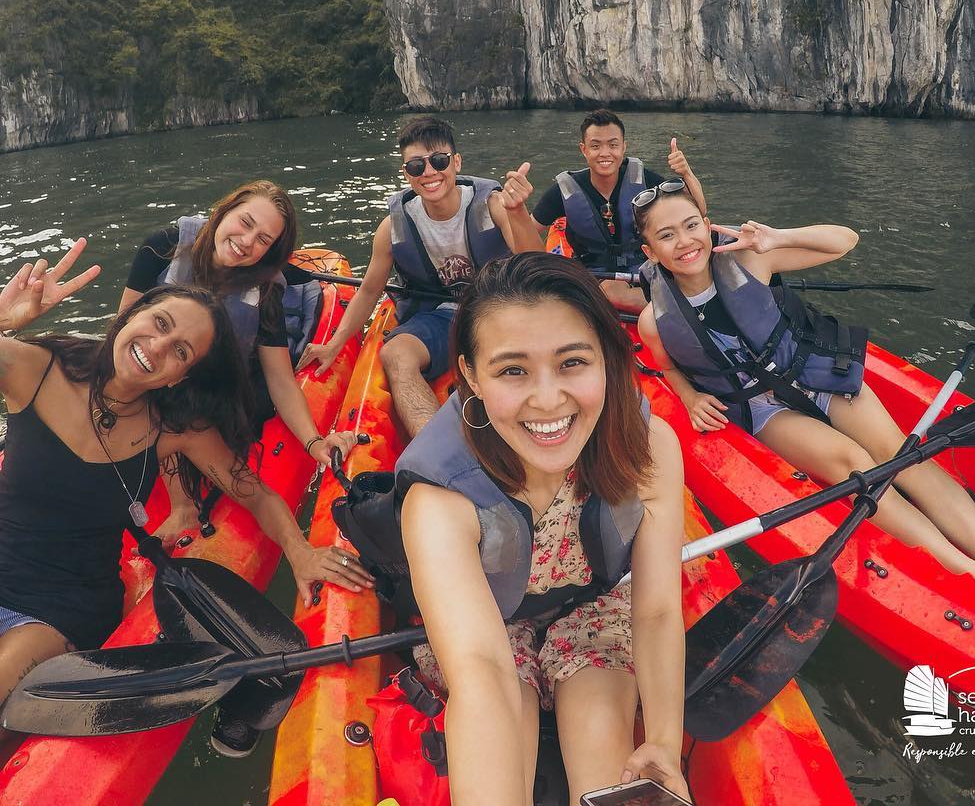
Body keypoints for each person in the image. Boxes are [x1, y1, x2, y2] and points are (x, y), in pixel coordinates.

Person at [0, 242, 352, 782]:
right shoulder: (30, 365)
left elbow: (254, 493)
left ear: (181, 377)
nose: (159, 346)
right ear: (133, 312)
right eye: (160, 323)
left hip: (56, 613)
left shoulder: (170, 429)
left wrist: (302, 552)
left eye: (181, 352)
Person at [324, 254, 690, 803]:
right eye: (513, 370)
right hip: (488, 623)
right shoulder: (440, 498)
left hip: (593, 605)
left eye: (572, 363)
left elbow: (657, 609)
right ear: (470, 374)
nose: (547, 399)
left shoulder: (649, 447)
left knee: (602, 744)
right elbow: (481, 671)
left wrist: (662, 739)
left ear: (609, 362)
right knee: (503, 712)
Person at [633, 183, 975, 619]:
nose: (685, 242)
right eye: (667, 235)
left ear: (706, 224)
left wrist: (777, 237)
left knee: (904, 455)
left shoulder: (750, 257)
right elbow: (669, 367)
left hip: (813, 371)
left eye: (691, 225)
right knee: (852, 463)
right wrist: (690, 394)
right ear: (650, 250)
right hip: (763, 406)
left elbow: (845, 240)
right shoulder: (653, 321)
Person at [121, 180, 357, 541]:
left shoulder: (264, 289)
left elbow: (279, 379)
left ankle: (183, 505)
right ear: (222, 212)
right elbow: (123, 334)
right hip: (167, 372)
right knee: (152, 382)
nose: (248, 241)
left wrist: (314, 441)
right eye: (245, 223)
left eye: (264, 240)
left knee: (176, 404)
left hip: (228, 387)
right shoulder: (162, 247)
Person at [298, 116, 544, 437]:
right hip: (441, 316)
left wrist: (518, 213)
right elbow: (370, 291)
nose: (429, 173)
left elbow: (534, 263)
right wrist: (335, 344)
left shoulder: (493, 205)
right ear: (406, 174)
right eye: (416, 166)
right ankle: (437, 448)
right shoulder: (392, 228)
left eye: (439, 161)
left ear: (456, 162)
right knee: (395, 353)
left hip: (499, 307)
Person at [530, 109, 706, 311]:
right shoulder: (564, 191)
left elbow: (698, 211)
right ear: (584, 149)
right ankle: (667, 305)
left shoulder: (644, 180)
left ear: (623, 147)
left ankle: (661, 303)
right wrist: (514, 208)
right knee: (610, 291)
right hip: (592, 276)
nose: (605, 153)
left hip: (642, 270)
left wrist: (687, 173)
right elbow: (529, 229)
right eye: (595, 146)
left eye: (613, 145)